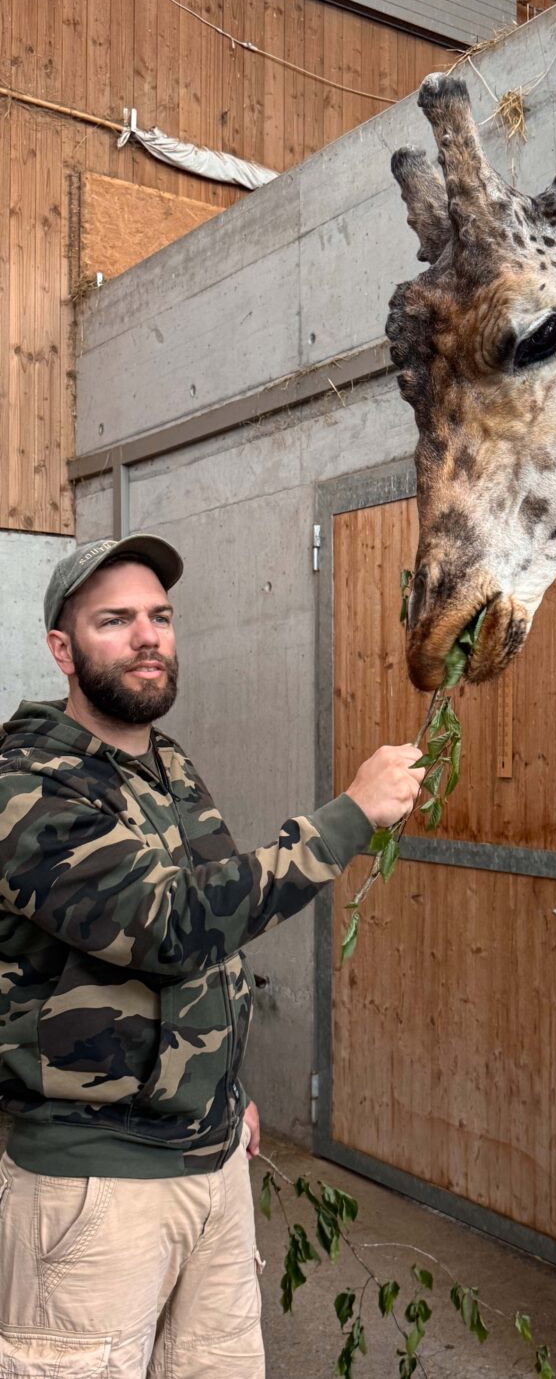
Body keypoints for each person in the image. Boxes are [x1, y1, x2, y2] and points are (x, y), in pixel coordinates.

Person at [0, 534, 422, 1379]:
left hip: (211, 1155)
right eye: (115, 620)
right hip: (96, 1181)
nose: (147, 636)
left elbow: (211, 957)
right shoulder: (30, 782)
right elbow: (172, 923)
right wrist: (346, 819)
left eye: (160, 616)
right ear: (63, 649)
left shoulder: (166, 764)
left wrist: (223, 1088)